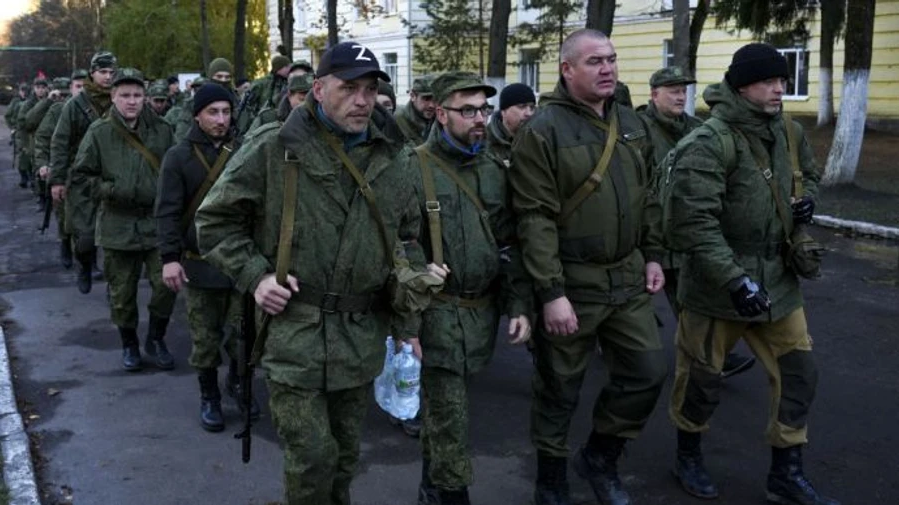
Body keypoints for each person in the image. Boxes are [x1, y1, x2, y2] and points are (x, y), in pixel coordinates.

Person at [195, 41, 441, 505]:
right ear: (320, 88)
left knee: (345, 457)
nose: (363, 100)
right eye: (349, 88)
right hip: (295, 334)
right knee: (311, 459)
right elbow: (214, 220)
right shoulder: (275, 148)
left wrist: (408, 324)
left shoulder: (395, 156)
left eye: (370, 89)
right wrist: (256, 276)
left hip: (360, 337)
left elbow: (407, 241)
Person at [664, 42, 838, 505]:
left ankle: (786, 471)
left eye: (783, 80)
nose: (781, 88)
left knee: (800, 372)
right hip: (717, 283)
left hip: (779, 280)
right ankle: (689, 455)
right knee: (701, 377)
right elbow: (693, 224)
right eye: (770, 81)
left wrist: (808, 202)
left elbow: (809, 175)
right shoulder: (707, 142)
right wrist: (735, 280)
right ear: (742, 87)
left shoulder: (787, 131)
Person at [509, 29, 667, 505]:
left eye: (612, 60)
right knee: (559, 386)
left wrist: (655, 253)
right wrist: (551, 292)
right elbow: (533, 217)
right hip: (572, 283)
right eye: (595, 61)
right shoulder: (543, 130)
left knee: (647, 371)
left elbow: (651, 196)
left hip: (626, 276)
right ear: (567, 69)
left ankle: (600, 455)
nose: (608, 69)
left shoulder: (632, 123)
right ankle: (551, 475)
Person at [410, 71, 532, 505]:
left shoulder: (494, 170)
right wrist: (406, 325)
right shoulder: (413, 168)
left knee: (445, 416)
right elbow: (397, 248)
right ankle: (449, 493)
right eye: (468, 110)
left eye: (484, 109)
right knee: (451, 415)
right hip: (435, 314)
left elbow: (509, 242)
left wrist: (518, 305)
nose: (480, 118)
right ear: (441, 114)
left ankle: (430, 484)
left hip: (481, 315)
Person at [640, 66, 757, 379]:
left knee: (690, 300)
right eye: (673, 90)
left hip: (686, 230)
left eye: (683, 90)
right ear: (654, 94)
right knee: (635, 298)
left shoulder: (697, 127)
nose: (680, 96)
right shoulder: (639, 129)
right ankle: (619, 347)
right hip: (649, 230)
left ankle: (711, 356)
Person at [154, 82, 259, 431]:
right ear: (197, 115)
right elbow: (167, 212)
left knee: (242, 332)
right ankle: (210, 395)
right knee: (205, 336)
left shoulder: (245, 150)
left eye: (226, 111)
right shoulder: (178, 156)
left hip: (241, 263)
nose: (221, 119)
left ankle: (239, 382)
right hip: (199, 263)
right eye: (213, 112)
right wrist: (170, 257)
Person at [68, 67, 177, 372]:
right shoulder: (99, 133)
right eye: (125, 95)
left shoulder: (162, 130)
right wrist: (111, 189)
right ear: (113, 97)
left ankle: (156, 338)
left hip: (156, 224)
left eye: (137, 95)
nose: (132, 101)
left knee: (166, 285)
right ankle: (129, 343)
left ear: (145, 97)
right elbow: (82, 176)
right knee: (122, 293)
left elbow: (176, 171)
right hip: (117, 224)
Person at [50, 51, 117, 294]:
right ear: (92, 73)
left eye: (111, 72)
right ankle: (84, 266)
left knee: (115, 239)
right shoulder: (75, 105)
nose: (108, 77)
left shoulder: (119, 100)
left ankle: (116, 288)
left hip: (114, 177)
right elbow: (60, 142)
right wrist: (57, 180)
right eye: (103, 72)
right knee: (85, 237)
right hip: (82, 179)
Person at [35, 71, 86, 268]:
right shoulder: (58, 110)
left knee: (91, 220)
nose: (81, 91)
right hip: (64, 171)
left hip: (89, 172)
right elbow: (43, 138)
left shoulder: (96, 110)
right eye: (77, 87)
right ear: (71, 88)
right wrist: (43, 164)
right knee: (66, 215)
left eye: (85, 86)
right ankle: (65, 242)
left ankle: (88, 260)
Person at [245, 73, 313, 136]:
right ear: (289, 96)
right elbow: (248, 143)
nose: (307, 104)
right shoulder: (268, 118)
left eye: (312, 100)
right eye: (302, 100)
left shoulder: (318, 122)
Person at [486, 82, 536, 165]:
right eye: (522, 106)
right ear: (504, 111)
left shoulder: (537, 140)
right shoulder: (486, 142)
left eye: (532, 107)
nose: (529, 113)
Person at [16, 76, 49, 192]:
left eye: (43, 87)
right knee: (37, 169)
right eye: (38, 87)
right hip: (33, 139)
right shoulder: (28, 104)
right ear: (34, 88)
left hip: (49, 139)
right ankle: (40, 195)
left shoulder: (51, 100)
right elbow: (22, 125)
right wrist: (23, 144)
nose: (40, 90)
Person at [244, 54, 291, 119]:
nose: (289, 69)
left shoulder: (288, 83)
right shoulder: (261, 83)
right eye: (287, 66)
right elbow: (247, 104)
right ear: (279, 68)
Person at [396, 75, 436, 145]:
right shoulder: (398, 121)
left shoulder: (441, 121)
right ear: (413, 96)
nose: (432, 105)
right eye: (426, 99)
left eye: (435, 99)